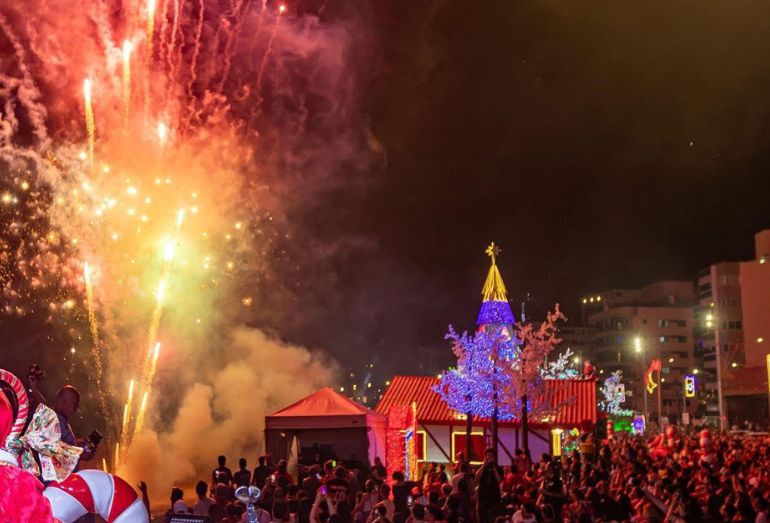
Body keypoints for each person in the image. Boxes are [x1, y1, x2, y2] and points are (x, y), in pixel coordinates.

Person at [475, 449, 502, 523]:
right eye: (487, 456)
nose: (489, 458)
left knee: (494, 518)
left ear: (494, 457)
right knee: (483, 518)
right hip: (483, 496)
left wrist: (493, 467)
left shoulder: (497, 467)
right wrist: (484, 465)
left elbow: (499, 480)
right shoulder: (482, 467)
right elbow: (477, 476)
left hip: (494, 496)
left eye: (491, 456)